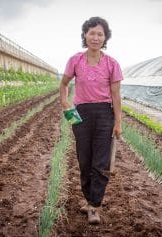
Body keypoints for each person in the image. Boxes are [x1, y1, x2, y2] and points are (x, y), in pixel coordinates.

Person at [59, 16, 123, 224]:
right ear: (85, 35)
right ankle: (88, 200)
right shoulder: (75, 60)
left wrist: (117, 122)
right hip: (80, 115)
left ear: (105, 38)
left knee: (100, 163)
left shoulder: (112, 64)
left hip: (104, 114)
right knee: (84, 160)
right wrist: (64, 103)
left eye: (100, 34)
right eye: (92, 33)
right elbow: (64, 84)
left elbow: (116, 96)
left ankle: (95, 206)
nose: (95, 37)